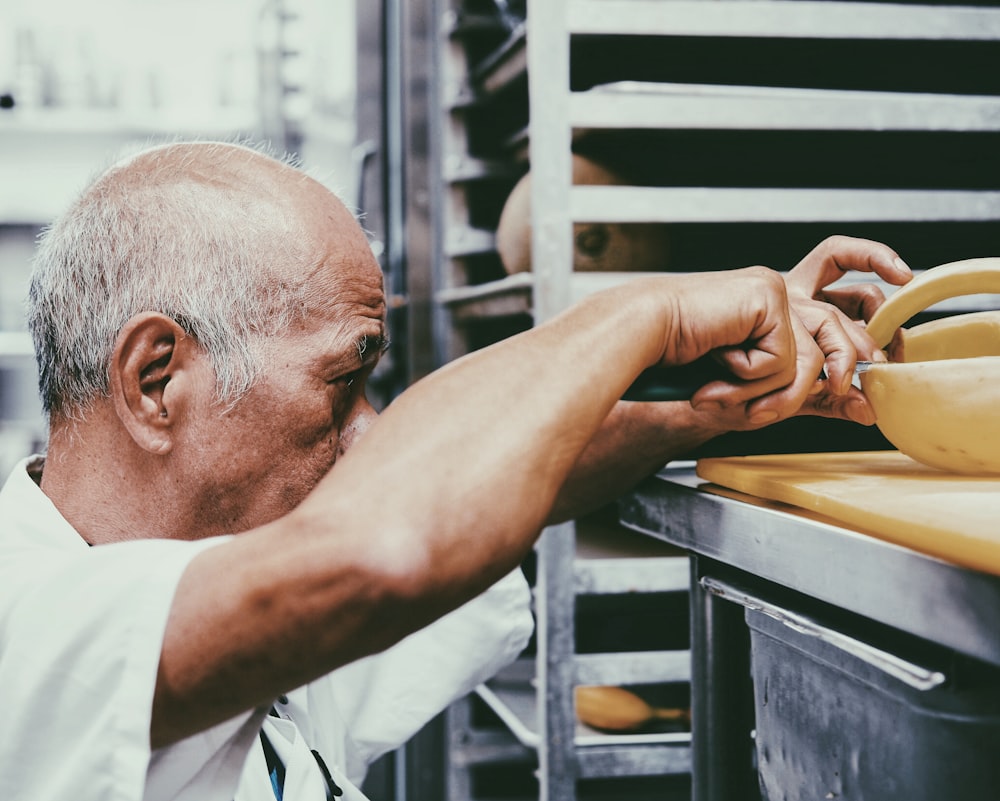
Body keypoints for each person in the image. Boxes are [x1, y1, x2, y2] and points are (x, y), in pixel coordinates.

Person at [0, 140, 912, 801]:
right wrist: (649, 314)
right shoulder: (28, 627)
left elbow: (510, 476)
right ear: (157, 379)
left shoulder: (220, 572)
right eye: (341, 380)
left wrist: (709, 401)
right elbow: (389, 539)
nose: (367, 436)